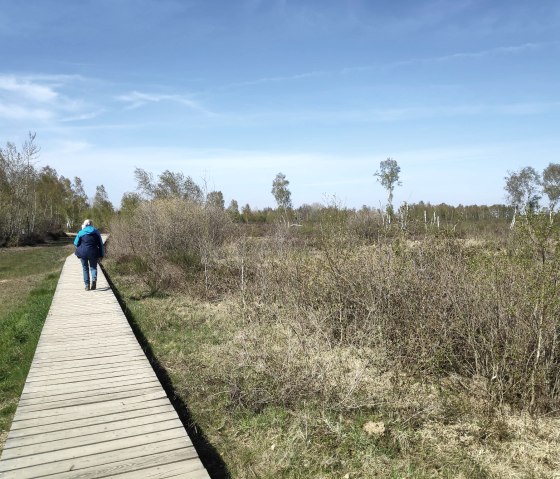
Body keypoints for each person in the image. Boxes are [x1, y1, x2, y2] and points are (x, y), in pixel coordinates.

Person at [74, 219, 104, 290]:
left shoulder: (81, 232)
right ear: (91, 224)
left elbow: (75, 243)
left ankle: (87, 285)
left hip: (83, 253)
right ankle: (94, 280)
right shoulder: (96, 232)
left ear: (84, 224)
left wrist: (79, 248)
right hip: (93, 253)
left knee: (85, 268)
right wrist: (101, 254)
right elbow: (101, 244)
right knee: (93, 268)